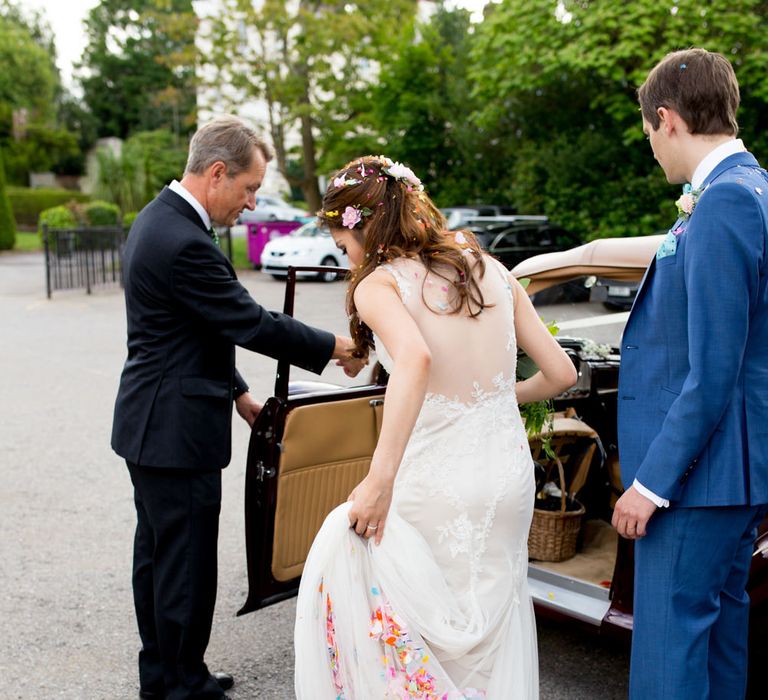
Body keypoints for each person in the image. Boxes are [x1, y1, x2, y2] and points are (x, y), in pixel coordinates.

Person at [293, 155, 576, 698]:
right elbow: (561, 372)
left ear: (363, 227)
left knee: (423, 629)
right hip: (505, 477)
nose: (345, 254)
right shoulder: (488, 268)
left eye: (342, 241)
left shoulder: (380, 285)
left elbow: (416, 360)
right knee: (495, 622)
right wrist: (497, 398)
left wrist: (379, 480)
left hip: (437, 479)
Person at [111, 115, 360, 700]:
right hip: (173, 432)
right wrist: (335, 346)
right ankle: (180, 687)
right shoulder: (182, 242)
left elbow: (192, 331)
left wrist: (238, 392)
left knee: (158, 559)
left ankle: (167, 675)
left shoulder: (159, 220)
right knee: (184, 566)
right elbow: (247, 321)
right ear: (217, 173)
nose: (251, 203)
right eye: (249, 188)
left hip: (152, 423)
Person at [613, 48, 768, 699]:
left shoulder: (725, 202)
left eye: (650, 133)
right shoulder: (752, 187)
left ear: (668, 120)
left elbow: (713, 372)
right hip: (736, 474)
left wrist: (649, 484)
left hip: (699, 480)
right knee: (722, 638)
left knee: (669, 651)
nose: (653, 148)